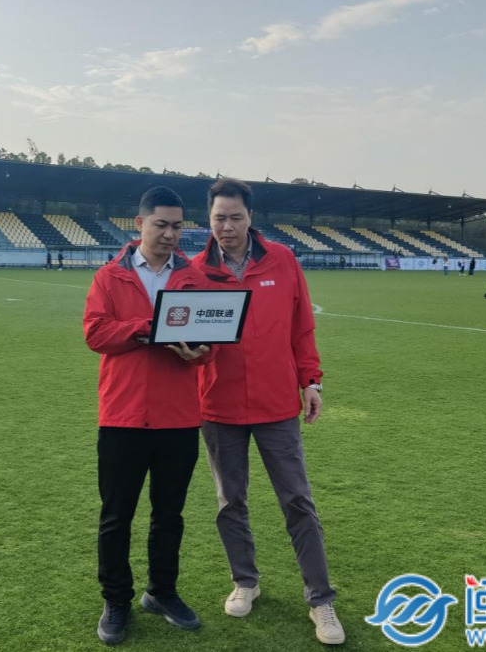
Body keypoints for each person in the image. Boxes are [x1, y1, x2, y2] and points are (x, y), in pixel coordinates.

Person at [191, 178, 344, 645]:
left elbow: (302, 327)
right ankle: (245, 581)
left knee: (297, 500)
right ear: (209, 219)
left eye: (235, 217)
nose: (227, 226)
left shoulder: (283, 259)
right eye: (219, 218)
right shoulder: (194, 271)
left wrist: (311, 381)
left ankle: (321, 599)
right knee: (230, 501)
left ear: (250, 217)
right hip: (218, 405)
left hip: (277, 404)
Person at [84, 186, 213, 645]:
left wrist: (200, 352)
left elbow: (207, 341)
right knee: (116, 516)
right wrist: (150, 327)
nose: (170, 234)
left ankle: (162, 592)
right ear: (139, 224)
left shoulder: (194, 278)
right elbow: (96, 334)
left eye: (177, 226)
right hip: (122, 416)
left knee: (169, 515)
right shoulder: (109, 276)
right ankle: (116, 599)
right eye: (161, 225)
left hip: (179, 417)